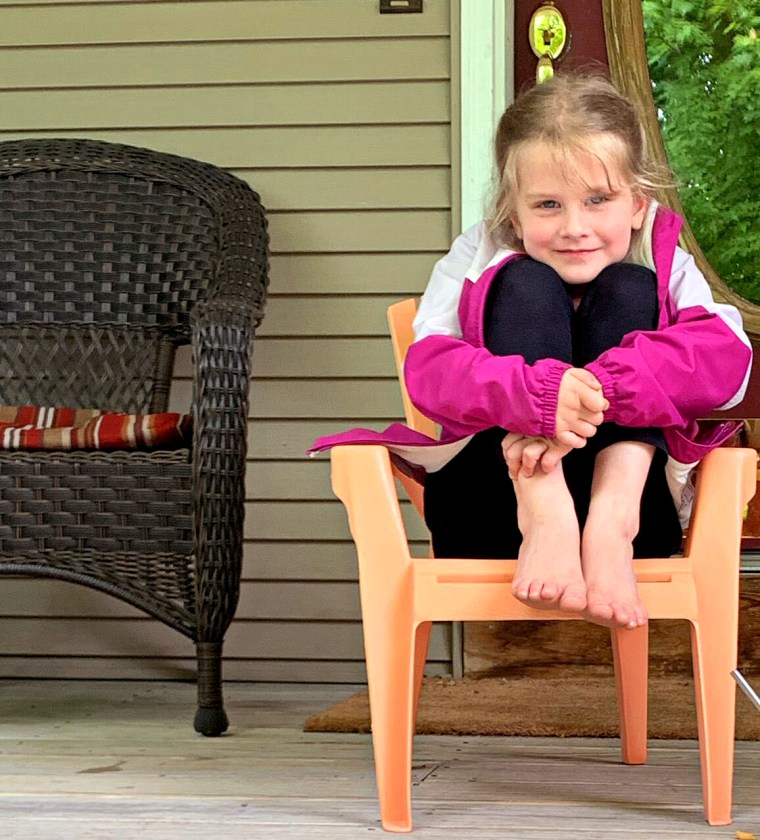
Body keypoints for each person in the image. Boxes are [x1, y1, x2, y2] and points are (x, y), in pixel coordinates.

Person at [310, 73, 751, 631]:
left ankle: (609, 525)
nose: (575, 228)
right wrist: (536, 396)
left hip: (632, 514)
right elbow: (429, 372)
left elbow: (727, 365)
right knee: (526, 283)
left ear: (639, 204)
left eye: (598, 200)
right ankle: (545, 510)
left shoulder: (661, 262)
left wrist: (600, 388)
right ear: (513, 212)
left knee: (627, 287)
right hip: (492, 502)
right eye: (548, 204)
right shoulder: (481, 254)